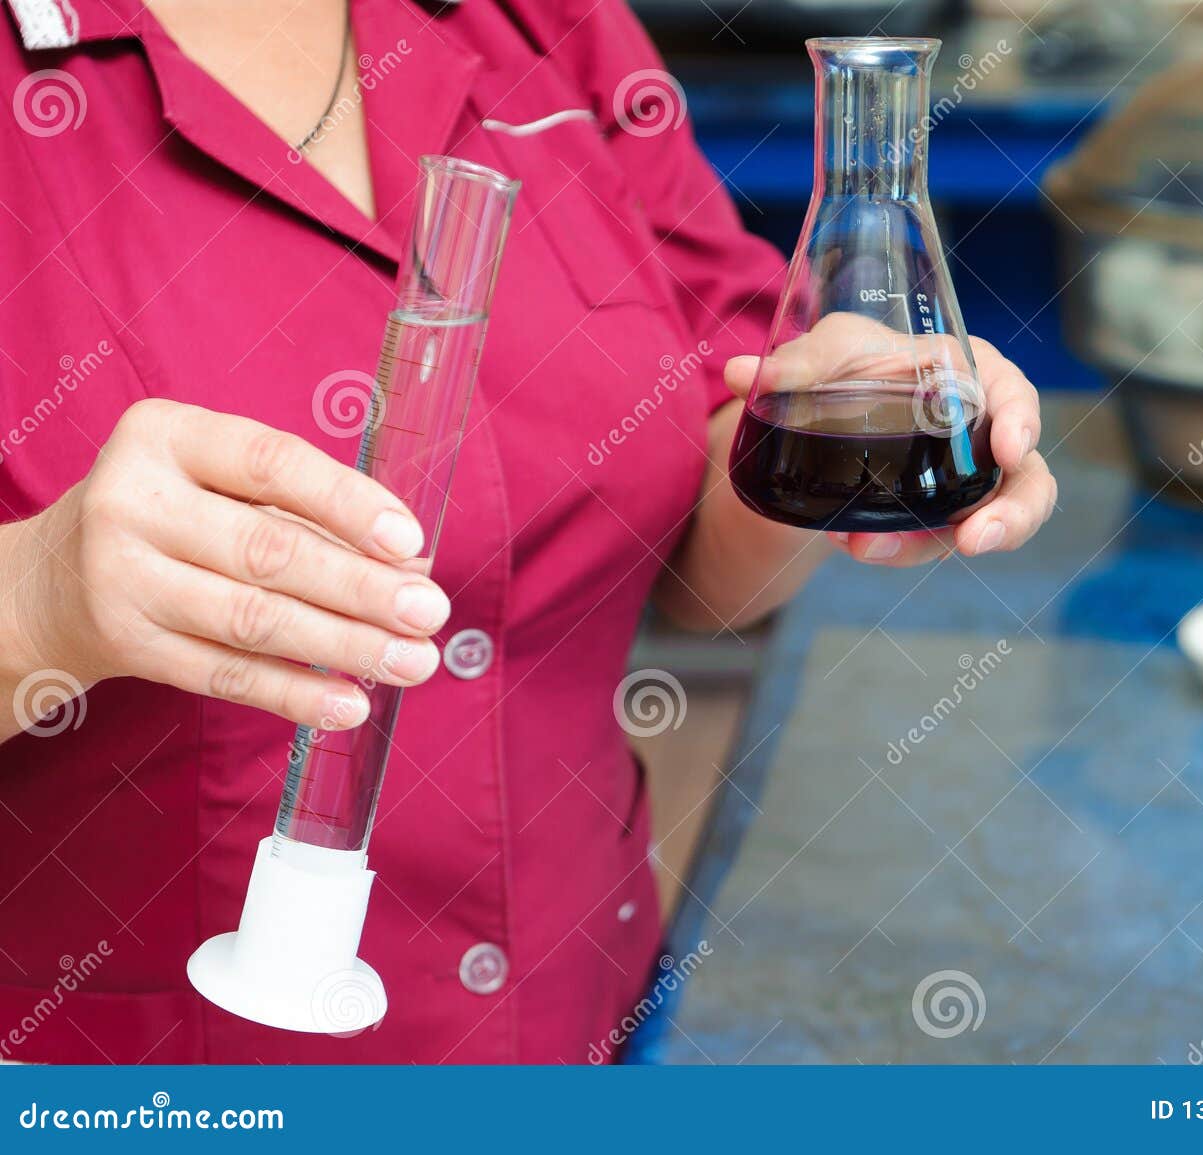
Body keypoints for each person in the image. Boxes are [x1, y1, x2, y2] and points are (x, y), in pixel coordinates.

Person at [0, 0, 1057, 1063]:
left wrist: (832, 420)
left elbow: (705, 541)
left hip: (576, 1018)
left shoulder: (549, 26)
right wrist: (34, 604)